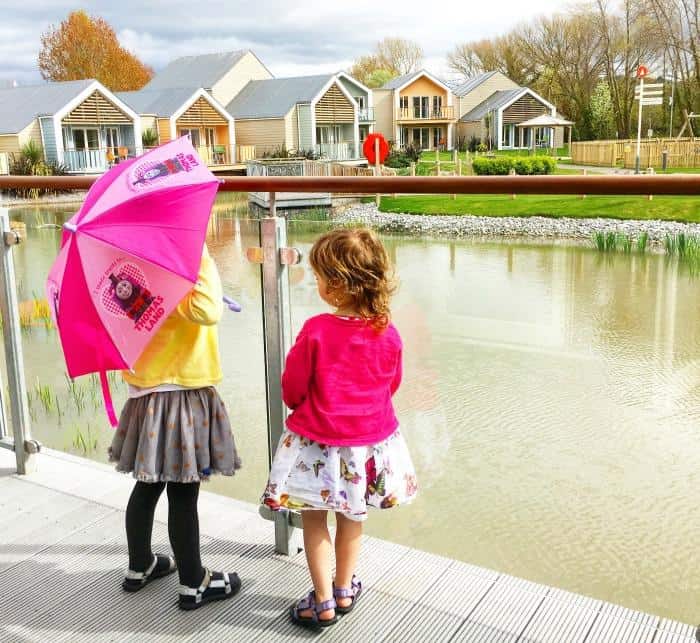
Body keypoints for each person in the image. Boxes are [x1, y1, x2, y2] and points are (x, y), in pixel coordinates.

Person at [262, 228, 418, 629]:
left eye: (318, 277)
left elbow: (292, 388)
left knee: (315, 520)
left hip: (319, 445)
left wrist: (306, 406)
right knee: (353, 517)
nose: (316, 285)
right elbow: (391, 384)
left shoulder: (316, 330)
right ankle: (345, 588)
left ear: (336, 285)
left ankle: (323, 600)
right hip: (366, 447)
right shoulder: (389, 332)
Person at [109, 244, 242, 610]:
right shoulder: (188, 256)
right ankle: (194, 582)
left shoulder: (125, 259)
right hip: (181, 390)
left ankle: (140, 566)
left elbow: (141, 315)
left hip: (146, 389)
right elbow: (207, 310)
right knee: (184, 491)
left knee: (148, 483)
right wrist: (203, 264)